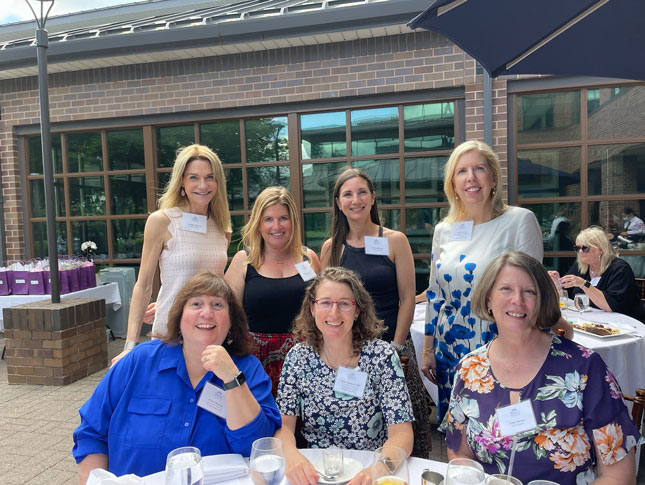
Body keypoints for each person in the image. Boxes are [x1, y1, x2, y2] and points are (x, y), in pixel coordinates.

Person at [440, 251, 640, 485]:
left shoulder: (585, 369)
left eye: (529, 291)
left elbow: (619, 475)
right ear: (488, 299)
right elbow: (460, 453)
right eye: (506, 289)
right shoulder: (470, 369)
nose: (518, 300)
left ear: (543, 301)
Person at [73, 272, 281, 482]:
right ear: (179, 317)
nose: (207, 313)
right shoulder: (138, 362)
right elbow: (91, 434)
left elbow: (257, 447)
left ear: (231, 321)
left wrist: (232, 380)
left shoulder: (247, 369)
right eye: (196, 304)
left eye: (218, 305)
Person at [421, 140, 545, 422]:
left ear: (493, 178)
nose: (471, 178)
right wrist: (428, 350)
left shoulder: (519, 221)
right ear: (453, 183)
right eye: (462, 171)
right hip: (450, 348)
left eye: (479, 168)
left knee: (502, 429)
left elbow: (535, 294)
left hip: (502, 344)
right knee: (459, 431)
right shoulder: (444, 230)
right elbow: (435, 294)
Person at [320, 167, 431, 457]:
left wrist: (396, 345)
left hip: (392, 347)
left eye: (361, 192)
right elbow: (325, 304)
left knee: (403, 425)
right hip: (348, 353)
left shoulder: (395, 241)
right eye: (347, 194)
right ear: (338, 202)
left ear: (372, 198)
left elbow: (407, 298)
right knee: (358, 423)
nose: (355, 200)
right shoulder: (331, 249)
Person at [276, 267, 413, 485]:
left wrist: (378, 469)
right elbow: (283, 425)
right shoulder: (298, 358)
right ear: (312, 308)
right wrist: (292, 457)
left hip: (368, 470)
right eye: (325, 302)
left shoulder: (382, 356)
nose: (334, 313)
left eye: (344, 303)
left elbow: (402, 433)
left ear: (357, 310)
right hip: (315, 473)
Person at [112, 144, 231, 364]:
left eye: (209, 177)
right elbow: (143, 284)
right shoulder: (163, 221)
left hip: (210, 334)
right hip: (171, 334)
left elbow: (215, 284)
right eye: (194, 177)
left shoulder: (222, 228)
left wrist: (177, 294)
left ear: (218, 183)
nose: (203, 185)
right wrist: (130, 345)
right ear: (182, 182)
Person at [225, 186, 320, 395]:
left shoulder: (309, 258)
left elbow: (323, 308)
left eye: (283, 218)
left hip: (305, 360)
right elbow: (227, 314)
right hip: (256, 362)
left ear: (293, 221)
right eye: (268, 219)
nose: (276, 226)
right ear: (258, 223)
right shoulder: (244, 261)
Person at [550, 225, 645, 322]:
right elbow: (565, 298)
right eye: (577, 248)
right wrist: (557, 283)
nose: (580, 252)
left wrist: (584, 284)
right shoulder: (581, 266)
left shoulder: (619, 269)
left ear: (600, 249)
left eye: (585, 248)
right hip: (590, 321)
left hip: (625, 325)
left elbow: (611, 306)